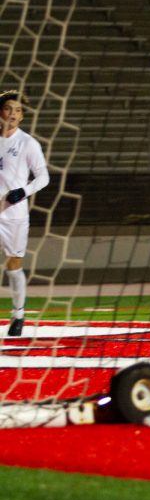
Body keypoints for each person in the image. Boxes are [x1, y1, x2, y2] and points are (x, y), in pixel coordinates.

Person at [0, 91, 49, 337]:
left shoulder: (28, 143)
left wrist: (24, 191)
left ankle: (18, 315)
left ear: (22, 116)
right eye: (9, 108)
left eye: (18, 110)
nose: (12, 114)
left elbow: (44, 177)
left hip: (14, 215)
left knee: (14, 265)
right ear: (1, 111)